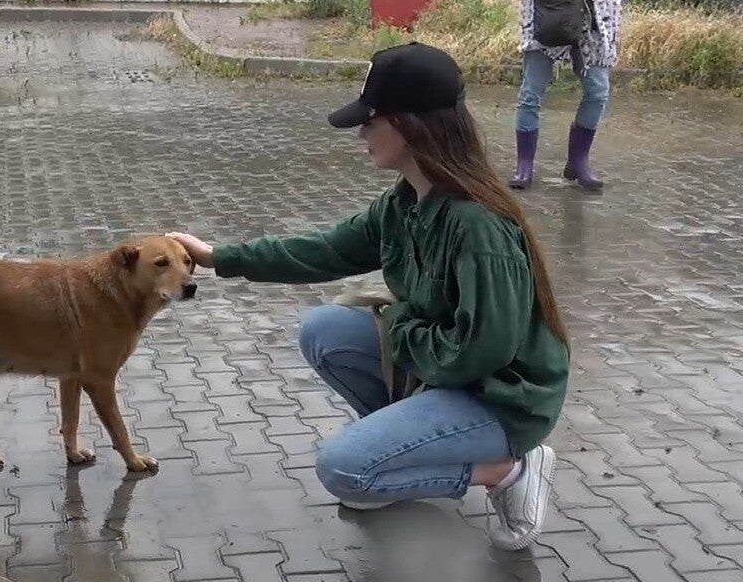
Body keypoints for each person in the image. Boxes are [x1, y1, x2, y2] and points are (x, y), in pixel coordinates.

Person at [168, 42, 570, 550]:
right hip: (449, 373)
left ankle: (511, 470)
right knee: (325, 330)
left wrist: (403, 330)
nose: (361, 133)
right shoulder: (406, 202)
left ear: (407, 124)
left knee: (344, 470)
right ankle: (400, 452)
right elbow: (327, 250)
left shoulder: (477, 226)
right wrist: (219, 257)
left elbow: (481, 350)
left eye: (369, 120)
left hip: (502, 400)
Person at [509, 0, 626, 191]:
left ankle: (578, 162)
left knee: (598, 92)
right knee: (531, 92)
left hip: (596, 17)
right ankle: (524, 165)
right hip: (549, 12)